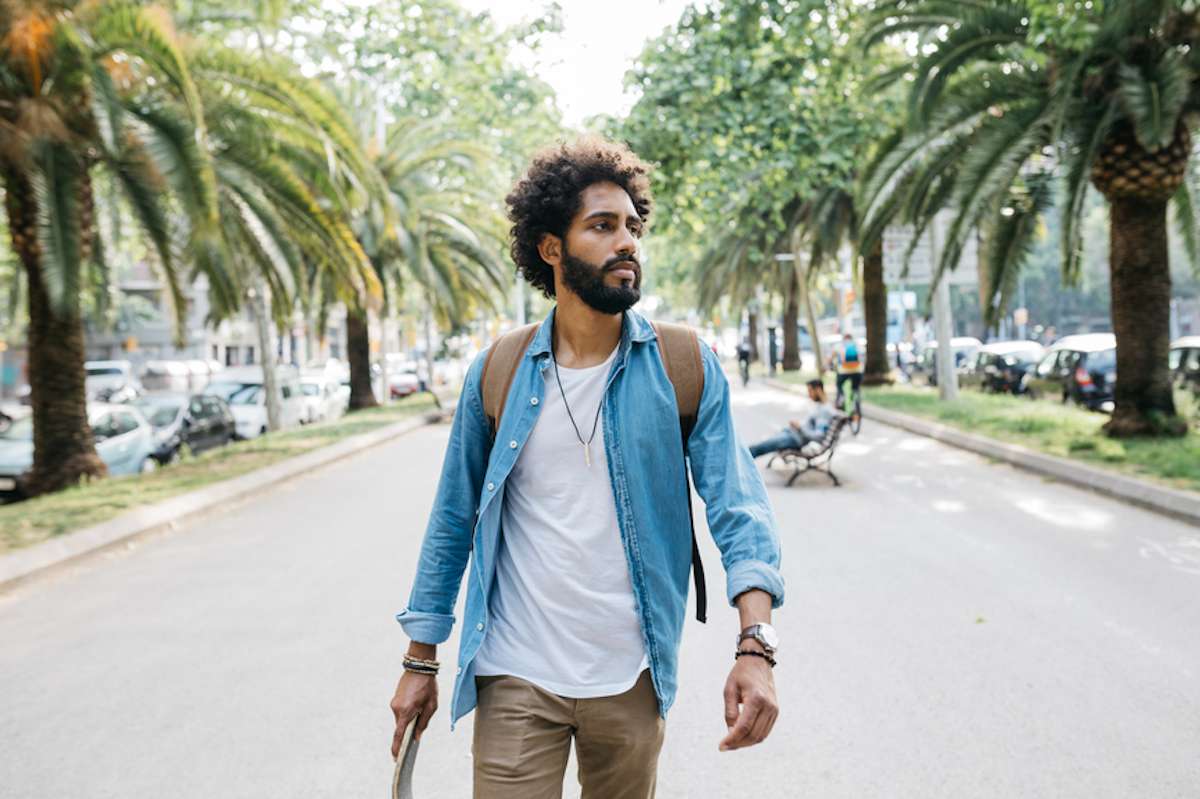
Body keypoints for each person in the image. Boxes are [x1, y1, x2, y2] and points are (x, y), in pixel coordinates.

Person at [389, 137, 784, 799]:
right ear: (551, 247)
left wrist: (756, 645)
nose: (626, 241)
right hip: (516, 672)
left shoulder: (683, 364)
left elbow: (739, 509)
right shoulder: (498, 372)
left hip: (631, 675)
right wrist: (418, 658)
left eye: (633, 226)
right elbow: (452, 520)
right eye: (602, 226)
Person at [748, 380, 834, 457]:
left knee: (756, 448)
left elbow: (818, 436)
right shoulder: (821, 406)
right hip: (791, 434)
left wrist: (800, 427)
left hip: (795, 439)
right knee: (759, 445)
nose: (809, 394)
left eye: (810, 391)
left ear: (818, 390)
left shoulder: (824, 411)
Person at [829, 332, 863, 411]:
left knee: (839, 384)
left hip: (844, 370)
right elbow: (861, 358)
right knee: (856, 387)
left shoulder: (839, 346)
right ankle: (856, 398)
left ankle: (841, 396)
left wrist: (828, 365)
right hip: (857, 370)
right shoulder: (856, 345)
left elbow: (831, 357)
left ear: (844, 339)